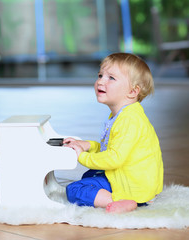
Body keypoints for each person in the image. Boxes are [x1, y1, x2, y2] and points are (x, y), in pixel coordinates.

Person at [63, 52, 163, 214]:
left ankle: (122, 201)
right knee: (90, 174)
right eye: (100, 75)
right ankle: (126, 197)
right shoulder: (124, 114)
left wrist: (82, 156)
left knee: (75, 189)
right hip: (138, 180)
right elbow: (110, 148)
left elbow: (114, 158)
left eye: (111, 78)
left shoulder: (129, 120)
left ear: (132, 91)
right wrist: (88, 145)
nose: (100, 81)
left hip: (135, 186)